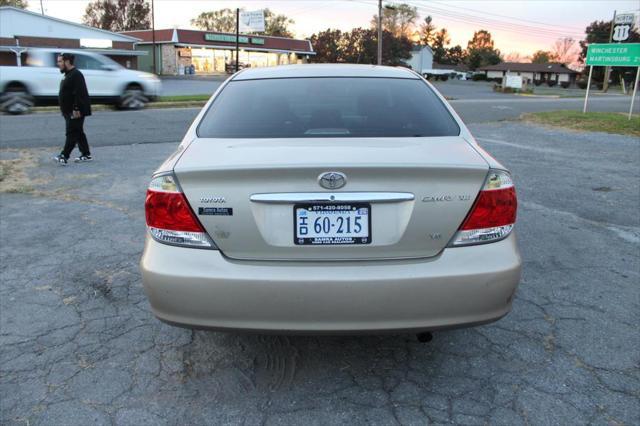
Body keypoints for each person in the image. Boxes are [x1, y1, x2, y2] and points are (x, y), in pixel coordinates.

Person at [53, 53, 92, 166]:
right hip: (69, 110)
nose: (58, 64)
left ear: (67, 62)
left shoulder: (76, 74)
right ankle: (86, 154)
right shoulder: (68, 74)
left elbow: (79, 93)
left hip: (75, 111)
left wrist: (76, 108)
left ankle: (64, 156)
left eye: (60, 61)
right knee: (78, 132)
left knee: (71, 132)